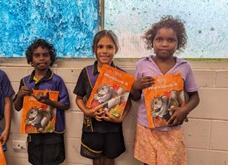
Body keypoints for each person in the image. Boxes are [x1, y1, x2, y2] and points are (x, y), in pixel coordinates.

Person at [131, 15, 200, 165]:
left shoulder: (184, 67)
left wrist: (185, 110)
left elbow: (195, 97)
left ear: (178, 43)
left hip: (172, 127)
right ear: (152, 42)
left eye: (170, 40)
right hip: (147, 127)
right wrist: (135, 86)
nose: (164, 44)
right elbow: (135, 97)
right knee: (147, 163)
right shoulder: (142, 65)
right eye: (159, 39)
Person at [73, 30, 131, 165]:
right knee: (96, 159)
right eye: (100, 47)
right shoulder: (86, 72)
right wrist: (87, 111)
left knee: (110, 158)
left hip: (113, 128)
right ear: (94, 49)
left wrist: (121, 118)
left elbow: (127, 103)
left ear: (116, 49)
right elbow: (79, 98)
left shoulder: (122, 76)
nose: (104, 51)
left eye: (109, 47)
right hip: (92, 126)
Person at [13, 38, 70, 165]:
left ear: (51, 58)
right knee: (36, 161)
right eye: (37, 55)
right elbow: (17, 107)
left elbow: (65, 105)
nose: (41, 58)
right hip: (34, 133)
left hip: (53, 132)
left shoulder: (56, 80)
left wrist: (48, 101)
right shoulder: (25, 81)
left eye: (45, 55)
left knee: (52, 161)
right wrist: (20, 96)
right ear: (31, 60)